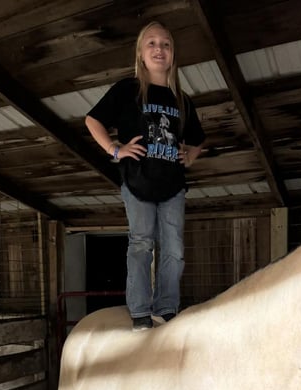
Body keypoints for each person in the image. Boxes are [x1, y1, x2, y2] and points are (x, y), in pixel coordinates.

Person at [85, 21, 206, 332]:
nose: (159, 49)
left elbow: (197, 139)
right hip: (138, 183)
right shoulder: (128, 90)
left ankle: (166, 308)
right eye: (151, 43)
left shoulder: (182, 99)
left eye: (165, 44)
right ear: (140, 53)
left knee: (175, 248)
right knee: (141, 243)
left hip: (173, 185)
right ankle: (140, 311)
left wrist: (189, 155)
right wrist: (114, 149)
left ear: (173, 54)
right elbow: (92, 120)